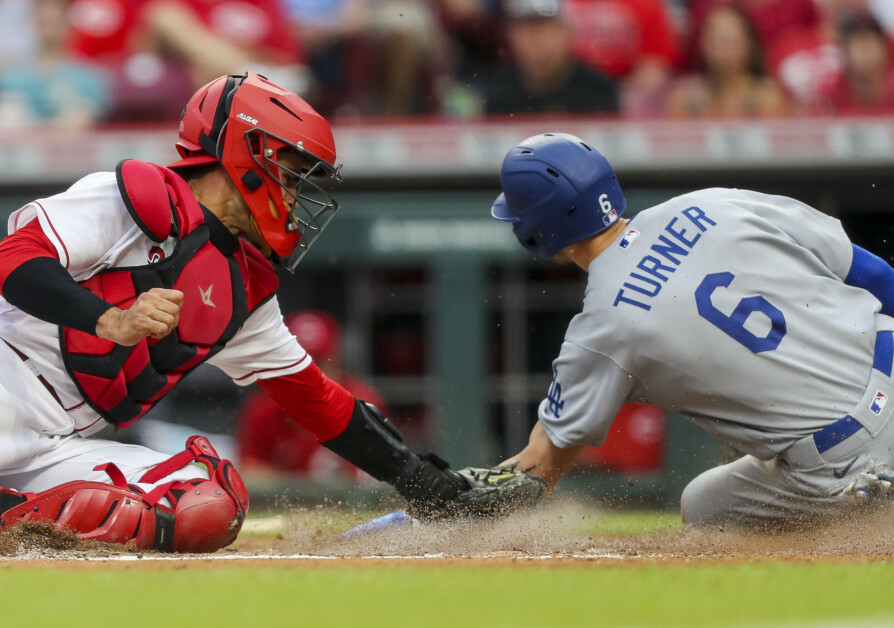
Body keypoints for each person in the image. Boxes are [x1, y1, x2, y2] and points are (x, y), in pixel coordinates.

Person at [0, 71, 534, 553]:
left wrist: (432, 487)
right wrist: (108, 319)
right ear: (248, 153)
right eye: (293, 172)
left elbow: (319, 401)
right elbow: (13, 259)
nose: (298, 194)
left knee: (207, 502)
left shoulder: (243, 289)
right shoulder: (124, 199)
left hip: (50, 449)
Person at [485, 131, 894, 528]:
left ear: (537, 234)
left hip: (846, 451)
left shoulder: (602, 327)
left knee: (706, 510)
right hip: (888, 350)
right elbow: (872, 273)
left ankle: (874, 507)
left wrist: (449, 502)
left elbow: (540, 467)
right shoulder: (712, 202)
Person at [236, 309, 388, 479]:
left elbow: (378, 477)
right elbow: (250, 473)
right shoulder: (263, 408)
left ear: (336, 363)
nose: (307, 377)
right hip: (290, 504)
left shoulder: (362, 402)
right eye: (298, 366)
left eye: (318, 365)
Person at [479, 0, 619, 116]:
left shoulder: (597, 90)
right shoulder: (498, 94)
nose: (536, 39)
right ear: (512, 36)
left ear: (567, 32)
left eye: (546, 28)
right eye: (527, 29)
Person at [666, 4, 787, 117]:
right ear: (703, 44)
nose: (723, 49)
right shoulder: (687, 98)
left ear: (749, 44)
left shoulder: (767, 98)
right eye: (716, 40)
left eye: (730, 41)